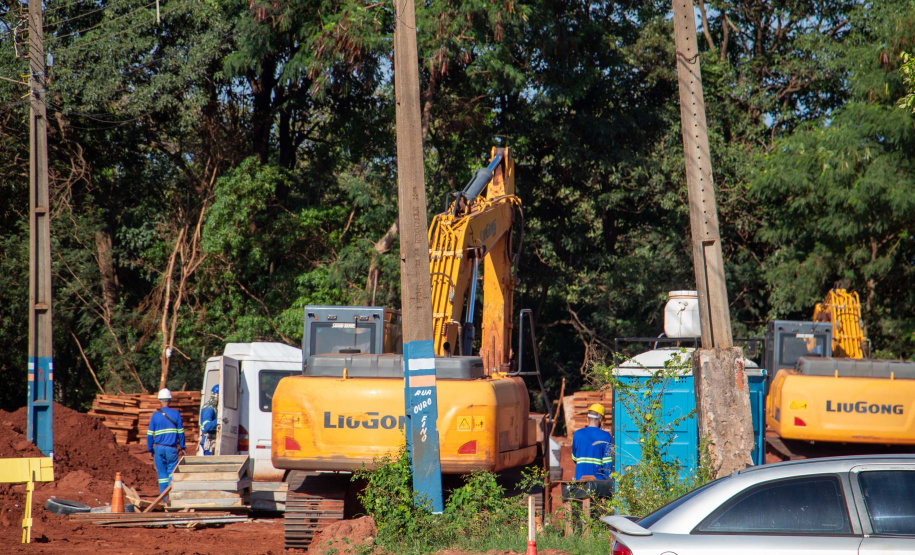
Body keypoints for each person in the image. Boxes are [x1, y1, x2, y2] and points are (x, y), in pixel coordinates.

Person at [147, 388, 186, 494]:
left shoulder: (155, 416)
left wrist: (150, 450)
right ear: (170, 400)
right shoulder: (176, 414)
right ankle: (171, 497)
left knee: (162, 475)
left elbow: (150, 435)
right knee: (171, 473)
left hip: (158, 449)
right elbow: (181, 433)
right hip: (171, 449)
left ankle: (164, 499)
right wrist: (182, 447)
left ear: (160, 400)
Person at [571, 403, 613, 480]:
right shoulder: (606, 436)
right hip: (598, 481)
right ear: (600, 419)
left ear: (588, 419)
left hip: (579, 481)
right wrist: (609, 481)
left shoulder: (577, 434)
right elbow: (607, 463)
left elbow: (574, 458)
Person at [199, 385, 219, 456]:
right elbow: (207, 427)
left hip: (213, 440)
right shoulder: (209, 408)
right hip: (209, 442)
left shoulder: (215, 408)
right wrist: (219, 420)